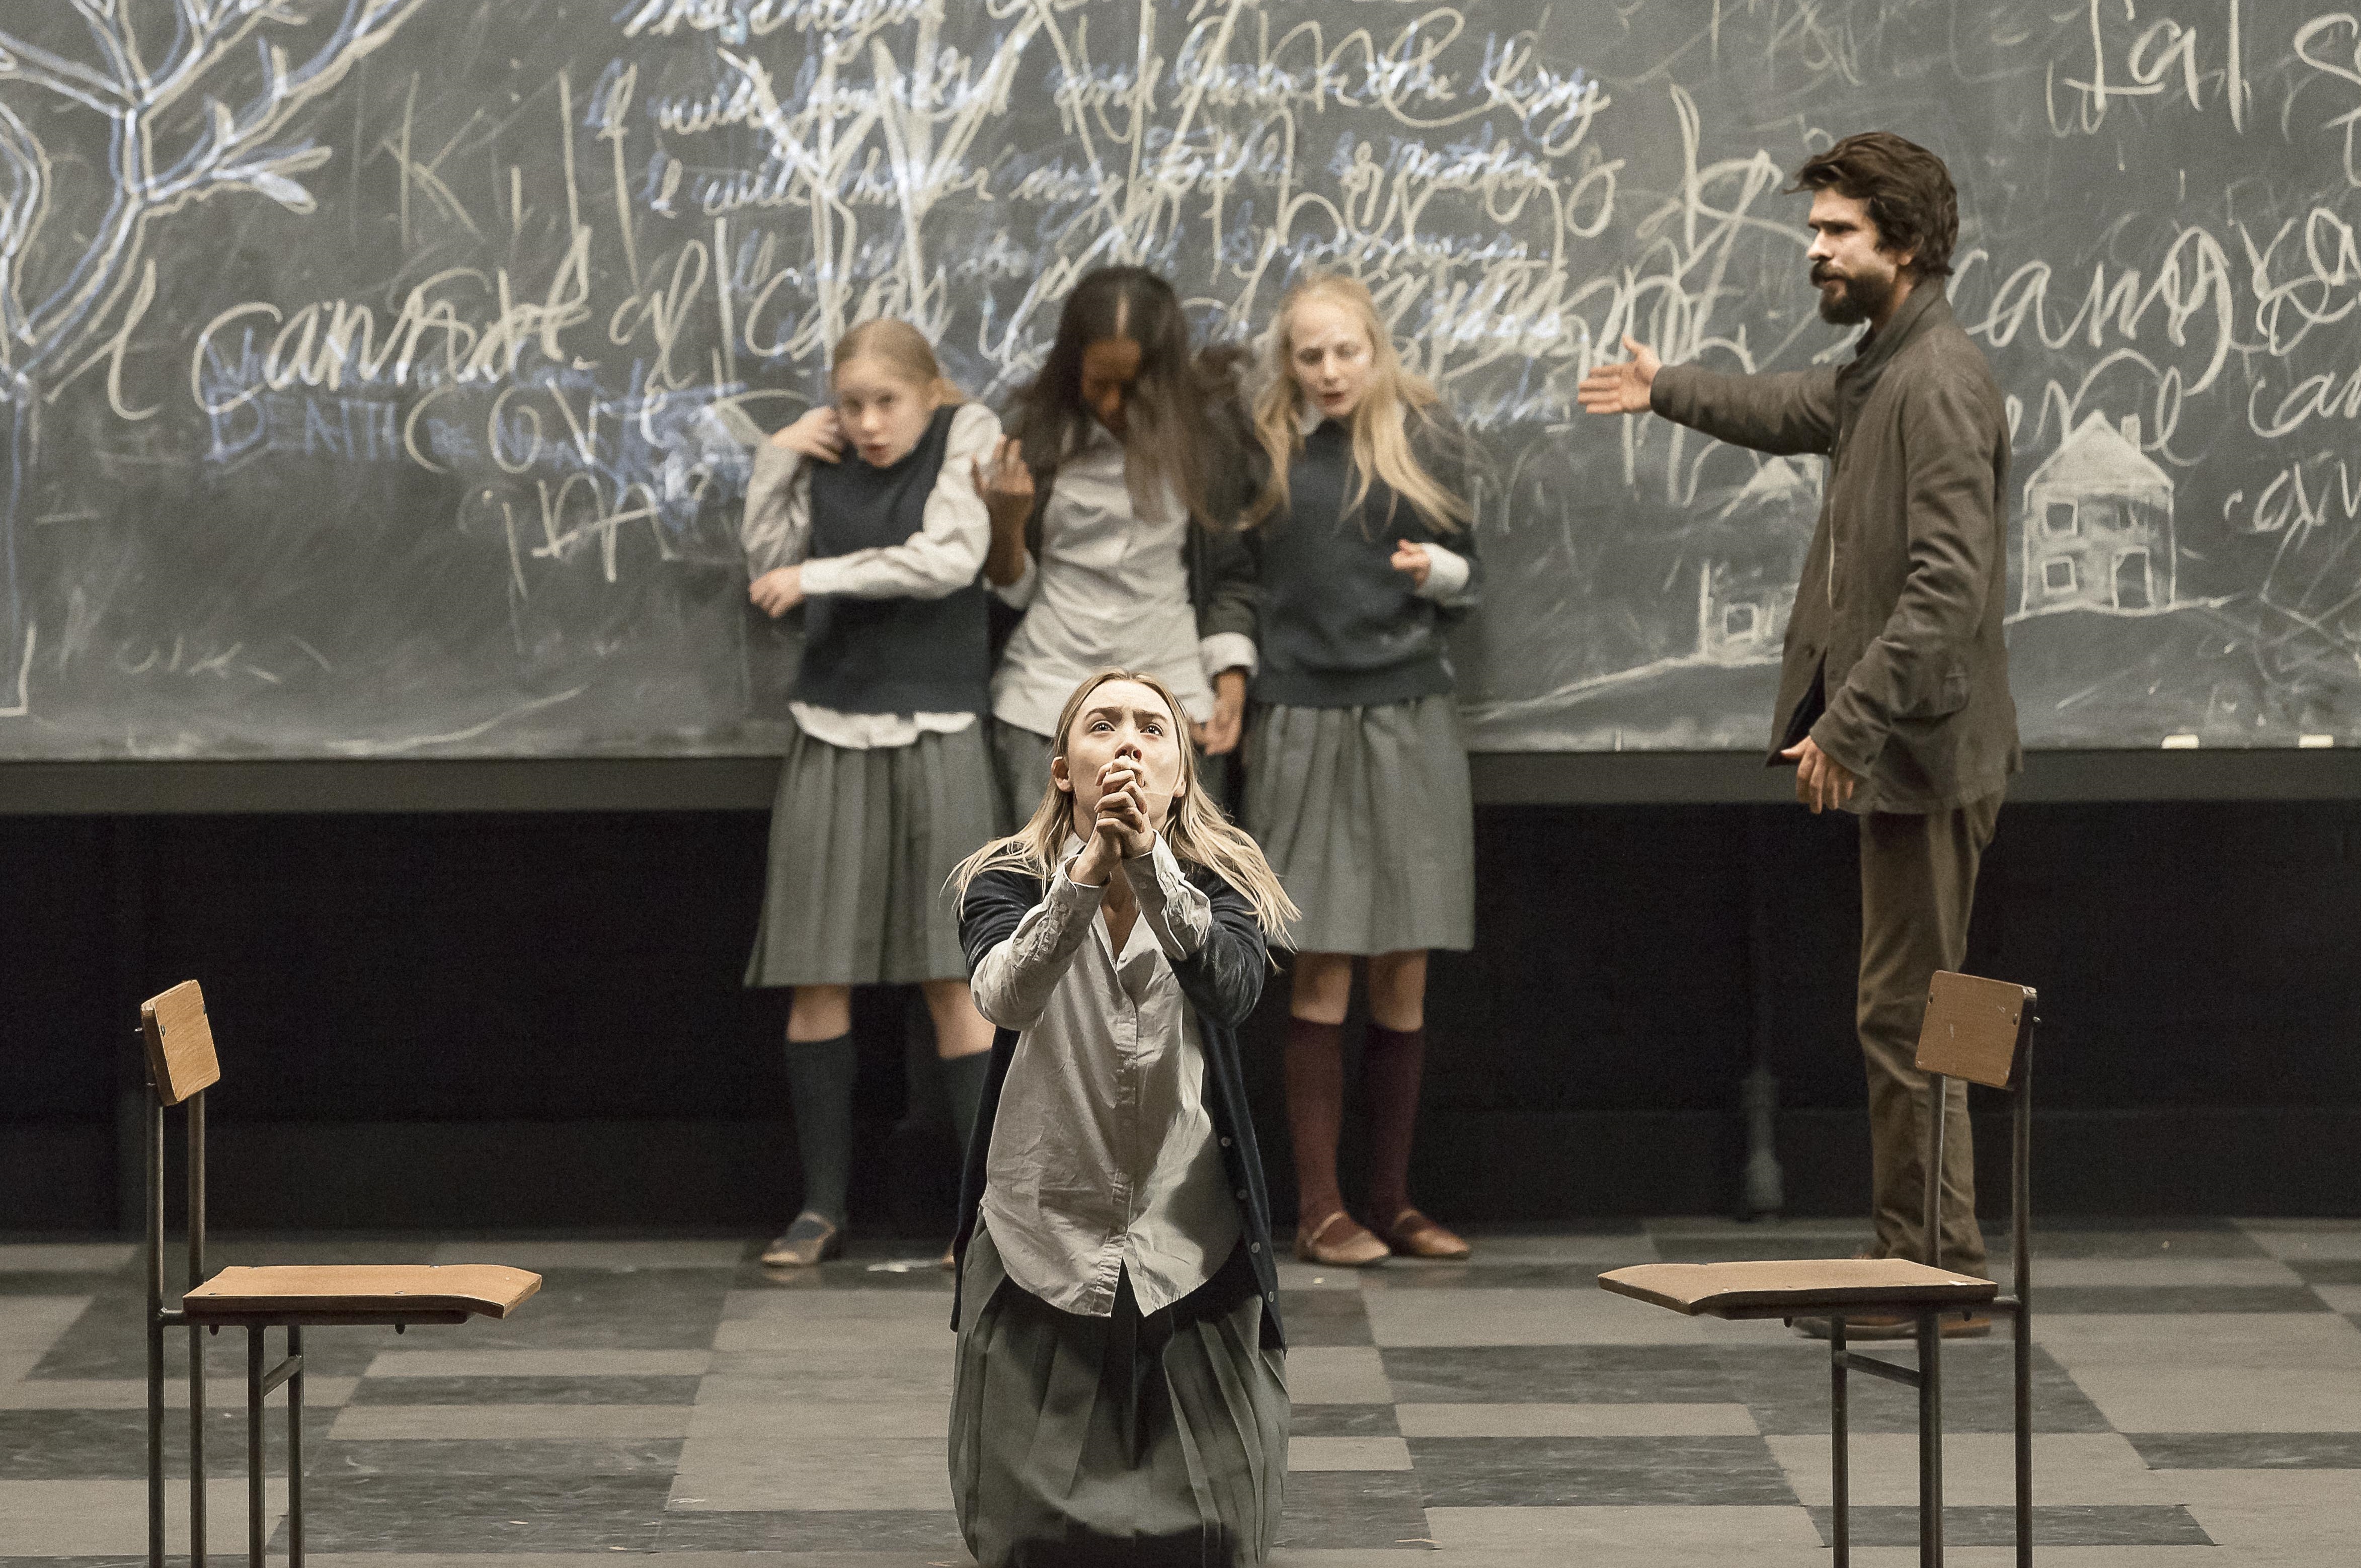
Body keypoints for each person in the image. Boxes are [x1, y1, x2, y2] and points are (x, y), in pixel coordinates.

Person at [1578, 131, 2020, 1334]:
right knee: (1922, 1003)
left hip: (1925, 755)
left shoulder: (1937, 381)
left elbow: (1944, 591)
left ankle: (1932, 1271)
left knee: (1914, 1009)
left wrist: (1851, 724)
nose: (1812, 252)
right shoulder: (1884, 367)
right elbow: (1791, 404)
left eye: (1836, 234)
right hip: (1919, 750)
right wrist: (1665, 387)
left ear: (1908, 246)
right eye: (1812, 230)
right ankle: (1937, 1259)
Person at [947, 668, 1297, 1567]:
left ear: (1180, 773)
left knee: (1224, 1533)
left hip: (1187, 1228)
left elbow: (1229, 990)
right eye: (1103, 725)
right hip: (1044, 1218)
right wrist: (1085, 876)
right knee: (1022, 1535)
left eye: (1153, 727)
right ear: (1065, 767)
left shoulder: (1228, 882)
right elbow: (1004, 995)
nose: (1129, 742)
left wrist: (1147, 865)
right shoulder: (1003, 878)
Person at [740, 319, 1006, 1268]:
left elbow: (949, 559)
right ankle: (819, 1207)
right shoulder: (823, 451)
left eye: (885, 401)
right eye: (850, 404)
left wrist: (817, 575)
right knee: (818, 972)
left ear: (930, 390)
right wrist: (775, 460)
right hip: (831, 725)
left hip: (938, 725)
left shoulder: (969, 433)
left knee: (955, 974)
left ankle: (979, 1214)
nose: (866, 423)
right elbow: (763, 565)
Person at [1240, 273, 1481, 1268]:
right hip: (1302, 716)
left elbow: (1472, 575)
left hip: (1409, 712)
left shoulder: (1425, 438)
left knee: (1406, 961)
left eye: (1348, 351)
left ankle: (1392, 1200)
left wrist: (1440, 571)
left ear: (1376, 348)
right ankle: (1321, 1206)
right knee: (1323, 958)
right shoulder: (1267, 455)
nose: (1331, 370)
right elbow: (1234, 582)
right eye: (1311, 355)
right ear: (1288, 363)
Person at [973, 267, 1262, 823]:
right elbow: (1010, 596)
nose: (1111, 403)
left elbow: (1230, 573)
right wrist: (1007, 523)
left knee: (1172, 891)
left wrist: (1230, 683)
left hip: (1173, 690)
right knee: (1050, 888)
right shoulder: (1028, 434)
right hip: (1046, 694)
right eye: (1096, 382)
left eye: (1130, 388)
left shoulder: (1209, 440)